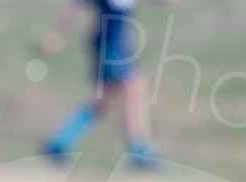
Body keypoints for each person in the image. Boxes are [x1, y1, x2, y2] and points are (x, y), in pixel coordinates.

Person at [39, 0, 172, 170]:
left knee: (103, 101)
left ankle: (58, 145)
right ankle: (141, 153)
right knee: (134, 89)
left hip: (118, 46)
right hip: (109, 45)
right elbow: (75, 5)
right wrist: (57, 34)